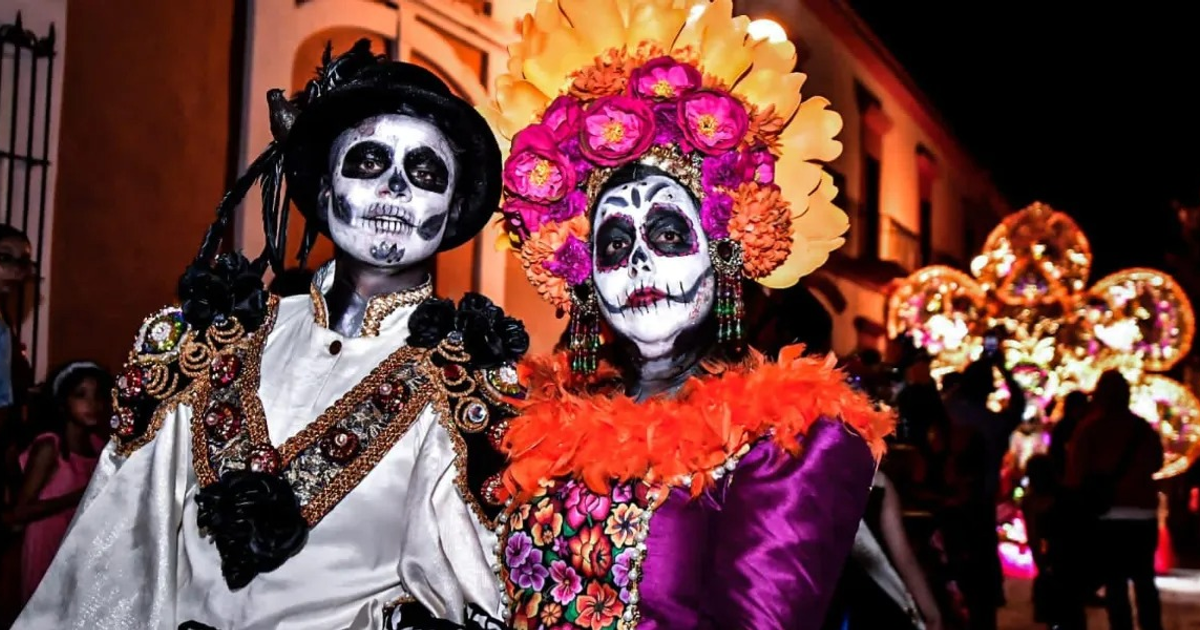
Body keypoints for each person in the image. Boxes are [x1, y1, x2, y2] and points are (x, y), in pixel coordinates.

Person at [15, 40, 527, 628]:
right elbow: (114, 557)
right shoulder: (213, 343)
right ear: (326, 188)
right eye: (367, 162)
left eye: (425, 171)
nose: (394, 190)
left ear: (454, 208)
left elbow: (478, 588)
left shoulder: (469, 388)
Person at [467, 1, 894, 626]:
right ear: (587, 278)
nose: (637, 263)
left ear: (722, 258)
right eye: (613, 244)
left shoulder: (794, 441)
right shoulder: (541, 424)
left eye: (667, 233)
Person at [4, 361, 111, 603]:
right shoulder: (50, 447)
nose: (92, 404)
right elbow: (20, 512)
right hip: (47, 545)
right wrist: (74, 498)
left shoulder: (98, 446)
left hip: (79, 546)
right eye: (81, 396)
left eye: (98, 396)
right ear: (63, 402)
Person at [1064, 370, 1164, 630]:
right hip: (1143, 514)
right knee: (1144, 580)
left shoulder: (1089, 430)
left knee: (1115, 582)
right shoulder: (1142, 429)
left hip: (1107, 515)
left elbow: (1076, 474)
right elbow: (1156, 463)